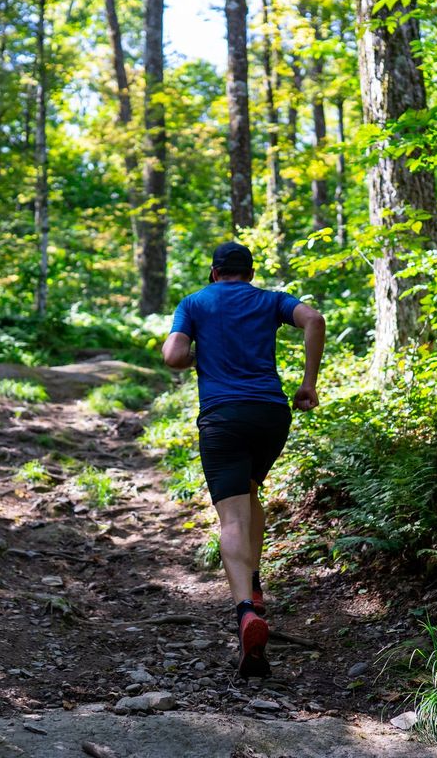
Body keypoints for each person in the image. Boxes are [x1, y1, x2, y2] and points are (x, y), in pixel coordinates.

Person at [161, 242, 325, 678]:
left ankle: (246, 613)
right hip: (271, 415)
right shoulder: (270, 300)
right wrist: (308, 383)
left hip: (223, 418)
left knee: (231, 516)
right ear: (249, 273)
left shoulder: (194, 302)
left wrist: (202, 355)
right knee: (251, 489)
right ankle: (254, 582)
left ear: (214, 272)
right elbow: (314, 319)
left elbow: (173, 356)